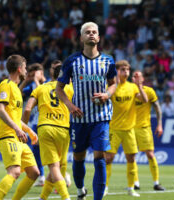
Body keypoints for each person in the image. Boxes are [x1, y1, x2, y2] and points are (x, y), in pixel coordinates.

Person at [56, 22, 117, 200]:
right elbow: (59, 88)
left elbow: (113, 84)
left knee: (100, 157)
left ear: (98, 37)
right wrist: (70, 105)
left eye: (94, 32)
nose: (91, 34)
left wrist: (107, 94)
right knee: (79, 157)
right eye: (87, 32)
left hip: (101, 117)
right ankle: (80, 188)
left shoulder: (108, 60)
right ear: (81, 38)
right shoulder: (72, 61)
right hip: (79, 118)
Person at [22, 62, 73, 200]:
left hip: (45, 128)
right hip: (63, 129)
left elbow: (27, 109)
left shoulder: (41, 88)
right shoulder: (70, 88)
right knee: (56, 166)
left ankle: (65, 197)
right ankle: (43, 197)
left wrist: (23, 127)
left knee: (54, 167)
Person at [0, 55, 40, 200]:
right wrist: (17, 129)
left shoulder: (16, 89)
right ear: (19, 69)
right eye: (25, 67)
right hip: (8, 136)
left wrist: (29, 130)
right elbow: (0, 110)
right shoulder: (5, 85)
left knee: (34, 173)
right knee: (14, 172)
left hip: (17, 137)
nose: (26, 70)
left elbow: (15, 119)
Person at [105, 60, 148, 197]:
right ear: (116, 71)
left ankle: (131, 188)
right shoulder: (111, 86)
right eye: (123, 69)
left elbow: (145, 100)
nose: (126, 72)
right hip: (114, 129)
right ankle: (105, 187)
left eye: (128, 70)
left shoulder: (133, 87)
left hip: (129, 129)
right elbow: (105, 99)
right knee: (108, 158)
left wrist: (140, 86)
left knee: (131, 158)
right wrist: (115, 83)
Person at [132, 70, 165, 191]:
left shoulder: (149, 91)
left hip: (144, 128)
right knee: (132, 156)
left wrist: (160, 124)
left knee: (150, 155)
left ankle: (156, 182)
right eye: (134, 76)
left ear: (142, 78)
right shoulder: (128, 90)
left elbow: (157, 108)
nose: (135, 77)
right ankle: (135, 183)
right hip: (130, 128)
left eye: (138, 75)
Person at [19, 63, 46, 187]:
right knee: (36, 150)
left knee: (49, 151)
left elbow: (43, 95)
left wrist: (36, 80)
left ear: (41, 73)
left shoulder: (50, 82)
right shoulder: (31, 86)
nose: (34, 76)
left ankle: (59, 176)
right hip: (35, 122)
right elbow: (18, 93)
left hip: (48, 121)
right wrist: (26, 81)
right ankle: (42, 176)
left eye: (36, 73)